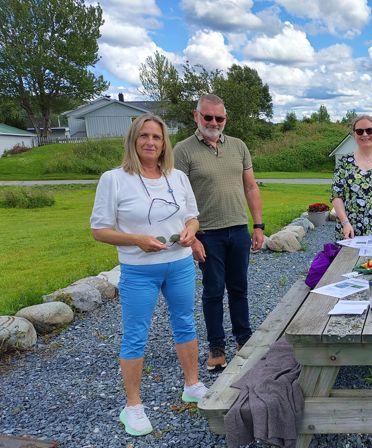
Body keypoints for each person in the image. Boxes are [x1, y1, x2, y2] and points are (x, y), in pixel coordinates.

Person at [90, 114, 207, 436]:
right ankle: (133, 406)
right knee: (135, 334)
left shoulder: (178, 177)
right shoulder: (114, 179)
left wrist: (189, 231)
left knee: (185, 321)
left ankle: (192, 384)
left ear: (164, 143)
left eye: (157, 137)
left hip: (180, 263)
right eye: (144, 136)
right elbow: (99, 230)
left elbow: (192, 217)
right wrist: (136, 240)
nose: (151, 143)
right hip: (139, 270)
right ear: (133, 140)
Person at [173, 94, 265, 372]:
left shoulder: (238, 146)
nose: (213, 122)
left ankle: (243, 338)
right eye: (208, 117)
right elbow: (176, 198)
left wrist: (258, 225)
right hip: (206, 233)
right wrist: (190, 240)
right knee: (213, 290)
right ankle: (216, 345)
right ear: (196, 116)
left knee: (239, 288)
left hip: (237, 228)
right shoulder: (183, 150)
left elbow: (250, 187)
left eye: (219, 118)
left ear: (226, 119)